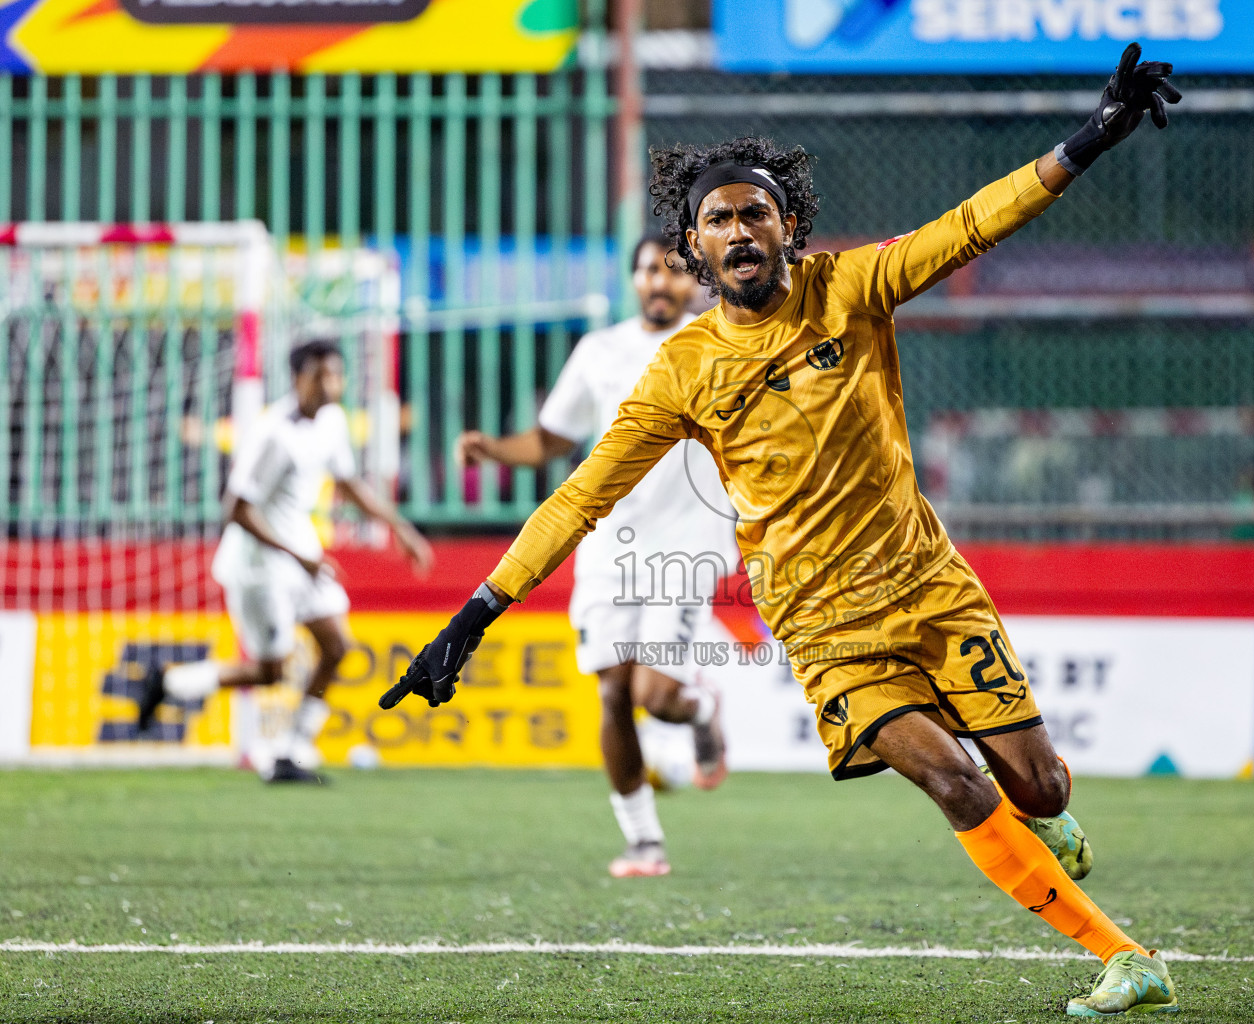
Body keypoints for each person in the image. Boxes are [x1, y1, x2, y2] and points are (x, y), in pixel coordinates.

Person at [384, 44, 1182, 1017]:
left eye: (754, 212)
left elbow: (973, 225)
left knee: (1043, 787)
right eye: (718, 220)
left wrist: (1090, 138)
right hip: (821, 622)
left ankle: (1044, 815)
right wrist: (472, 617)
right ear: (694, 250)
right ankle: (1124, 955)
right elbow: (578, 498)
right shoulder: (680, 371)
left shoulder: (850, 287)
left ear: (788, 225)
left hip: (928, 583)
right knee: (954, 783)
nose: (739, 229)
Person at [454, 236, 735, 878]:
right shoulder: (600, 350)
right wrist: (492, 450)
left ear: (695, 281)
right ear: (634, 279)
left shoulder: (719, 343)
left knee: (655, 696)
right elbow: (554, 437)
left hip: (687, 546)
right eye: (648, 270)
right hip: (610, 544)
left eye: (674, 271)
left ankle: (700, 710)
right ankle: (644, 841)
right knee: (612, 692)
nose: (660, 282)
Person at [138, 338, 433, 784]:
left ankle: (292, 751)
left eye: (335, 375)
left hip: (301, 552)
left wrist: (401, 528)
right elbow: (237, 509)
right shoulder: (273, 433)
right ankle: (170, 683)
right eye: (319, 375)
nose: (329, 384)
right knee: (269, 673)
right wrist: (300, 558)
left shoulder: (333, 421)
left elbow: (348, 483)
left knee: (337, 647)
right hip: (259, 565)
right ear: (297, 379)